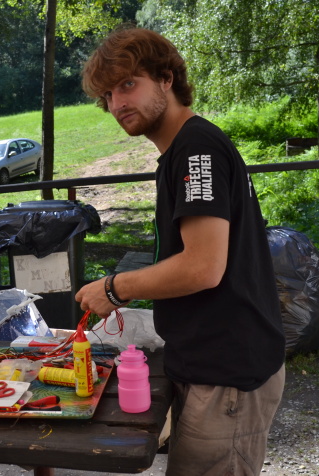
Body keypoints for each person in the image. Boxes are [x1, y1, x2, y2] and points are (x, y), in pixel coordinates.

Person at [76, 27, 286, 476]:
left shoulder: (196, 149)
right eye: (107, 95)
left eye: (128, 84)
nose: (117, 104)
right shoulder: (181, 151)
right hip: (209, 364)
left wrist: (114, 289)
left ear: (166, 78)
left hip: (227, 372)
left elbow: (203, 267)